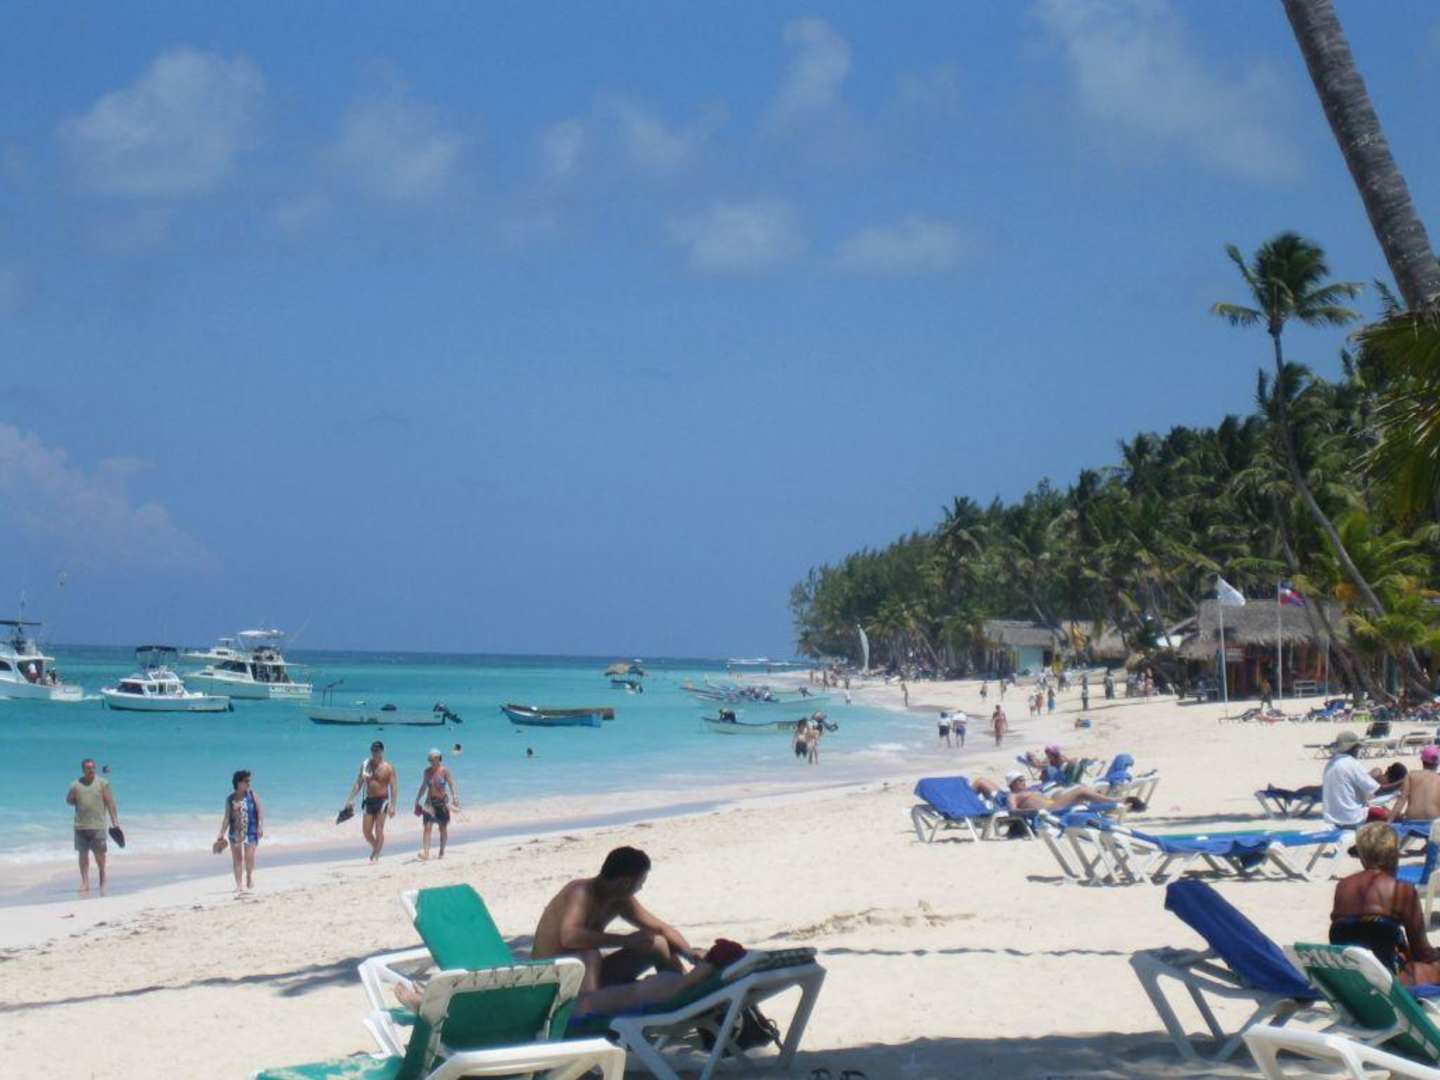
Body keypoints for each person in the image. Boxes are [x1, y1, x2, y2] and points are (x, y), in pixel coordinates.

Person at [532, 846, 697, 993]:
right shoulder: (580, 892)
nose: (640, 888)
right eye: (640, 883)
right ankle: (591, 1008)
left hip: (587, 975)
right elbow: (570, 937)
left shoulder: (619, 900)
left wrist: (690, 954)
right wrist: (626, 941)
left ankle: (684, 988)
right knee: (589, 954)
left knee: (656, 942)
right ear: (626, 882)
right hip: (553, 980)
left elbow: (661, 928)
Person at [1331, 822, 1440, 986]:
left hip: (1352, 973)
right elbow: (1421, 952)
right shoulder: (1402, 890)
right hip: (1388, 977)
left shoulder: (1342, 887)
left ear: (1362, 856)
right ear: (1394, 854)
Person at [67, 758, 119, 897]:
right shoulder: (75, 784)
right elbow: (69, 800)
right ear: (83, 769)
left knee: (100, 856)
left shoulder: (102, 783)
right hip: (80, 826)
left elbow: (110, 803)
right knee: (83, 855)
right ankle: (85, 882)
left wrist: (115, 822)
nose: (91, 770)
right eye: (88, 768)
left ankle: (102, 879)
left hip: (98, 825)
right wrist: (75, 799)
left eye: (93, 768)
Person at [342, 740, 398, 862]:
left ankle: (376, 855)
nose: (374, 752)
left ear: (382, 751)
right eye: (373, 750)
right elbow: (358, 783)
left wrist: (393, 805)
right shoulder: (366, 765)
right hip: (369, 801)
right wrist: (350, 799)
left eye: (377, 750)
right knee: (366, 832)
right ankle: (377, 849)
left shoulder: (388, 767)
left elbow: (394, 787)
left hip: (382, 800)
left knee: (379, 828)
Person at [973, 772, 1113, 813]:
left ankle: (1109, 806)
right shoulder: (1013, 795)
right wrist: (1033, 812)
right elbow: (1013, 811)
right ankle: (1115, 801)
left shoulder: (1028, 790)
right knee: (1081, 791)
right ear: (1012, 785)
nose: (1024, 782)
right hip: (1050, 809)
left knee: (1082, 791)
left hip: (1054, 803)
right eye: (1020, 780)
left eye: (1024, 779)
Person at [217, 769, 263, 893]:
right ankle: (239, 885)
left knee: (249, 857)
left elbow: (260, 812)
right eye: (246, 781)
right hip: (235, 832)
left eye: (249, 781)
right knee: (237, 859)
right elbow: (227, 817)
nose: (249, 783)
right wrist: (221, 832)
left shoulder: (253, 795)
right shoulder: (230, 799)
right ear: (239, 783)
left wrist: (260, 826)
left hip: (251, 831)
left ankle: (249, 875)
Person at [1322, 731, 1380, 829]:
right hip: (1352, 817)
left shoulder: (1330, 763)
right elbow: (1376, 790)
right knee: (1385, 814)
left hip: (1332, 818)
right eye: (1358, 748)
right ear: (1354, 748)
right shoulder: (1351, 763)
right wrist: (1400, 783)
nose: (1358, 751)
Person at [414, 750, 461, 860]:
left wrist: (455, 797)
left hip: (442, 803)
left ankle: (442, 851)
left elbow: (451, 784)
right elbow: (423, 786)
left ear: (439, 758)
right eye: (430, 759)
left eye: (434, 758)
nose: (431, 761)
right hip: (429, 803)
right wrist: (417, 799)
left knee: (442, 828)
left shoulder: (445, 771)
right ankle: (426, 853)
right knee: (427, 827)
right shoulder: (427, 772)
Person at [1390, 747, 1440, 822]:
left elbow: (1402, 799)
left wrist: (1389, 821)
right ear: (1437, 763)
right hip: (1434, 821)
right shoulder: (1438, 778)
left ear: (1422, 760)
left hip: (1412, 820)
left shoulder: (1411, 775)